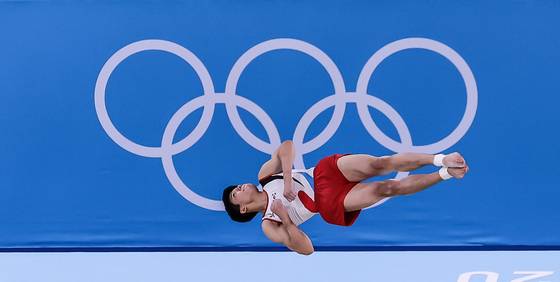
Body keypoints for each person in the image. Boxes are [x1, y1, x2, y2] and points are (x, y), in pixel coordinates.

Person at [222, 140, 469, 255]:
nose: (241, 186)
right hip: (328, 202)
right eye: (236, 193)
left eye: (237, 187)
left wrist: (287, 179)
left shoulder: (265, 177)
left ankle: (439, 158)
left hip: (323, 172)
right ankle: (446, 173)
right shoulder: (268, 224)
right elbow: (306, 249)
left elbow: (286, 146)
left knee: (380, 163)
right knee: (387, 189)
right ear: (243, 209)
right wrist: (286, 219)